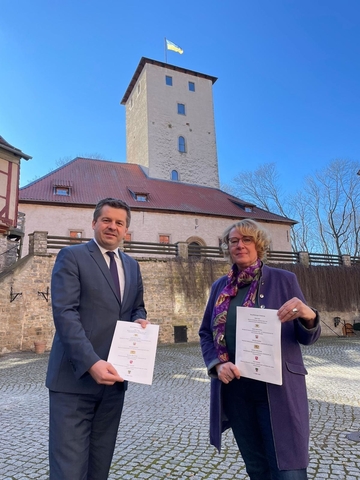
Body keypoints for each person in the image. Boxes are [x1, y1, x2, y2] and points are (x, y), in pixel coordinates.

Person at [199, 219, 320, 480]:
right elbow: (206, 333)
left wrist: (308, 315)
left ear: (259, 244)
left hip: (278, 388)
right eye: (234, 241)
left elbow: (307, 336)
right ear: (227, 247)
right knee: (257, 468)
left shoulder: (284, 280)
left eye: (247, 240)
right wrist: (218, 364)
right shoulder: (220, 287)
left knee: (289, 470)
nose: (240, 245)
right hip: (237, 390)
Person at [46, 197, 148, 480]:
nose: (112, 227)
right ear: (94, 223)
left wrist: (140, 318)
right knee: (69, 471)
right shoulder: (72, 256)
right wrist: (91, 362)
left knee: (98, 468)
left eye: (119, 223)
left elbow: (137, 305)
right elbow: (65, 314)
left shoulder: (132, 265)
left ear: (126, 230)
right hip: (74, 381)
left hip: (114, 383)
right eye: (107, 220)